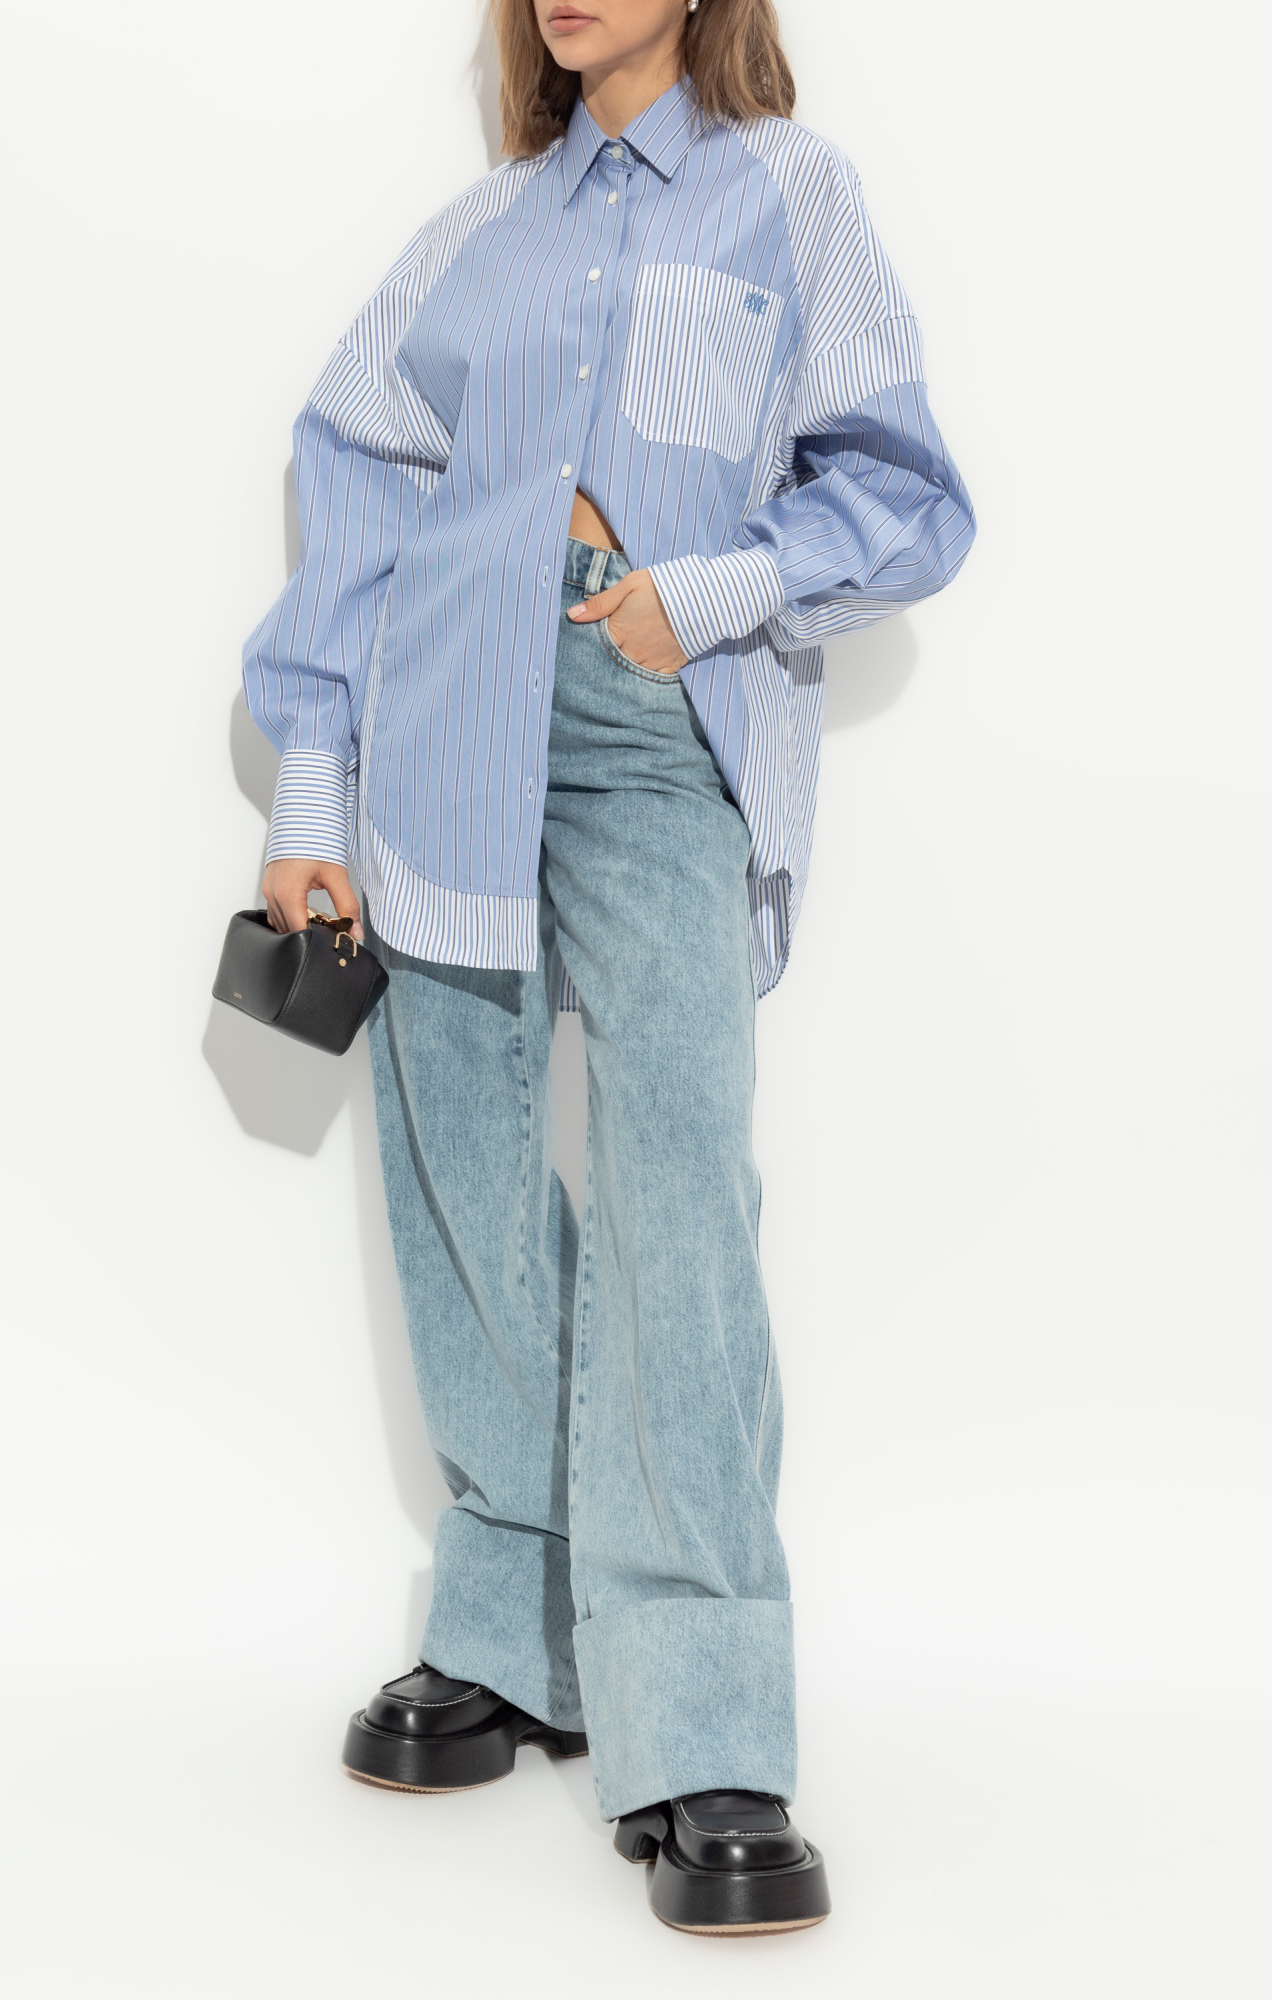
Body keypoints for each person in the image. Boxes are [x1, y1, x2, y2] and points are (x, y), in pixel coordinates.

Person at [241, 0, 974, 1936]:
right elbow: (356, 479)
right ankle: (519, 1625)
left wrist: (701, 593)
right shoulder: (477, 233)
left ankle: (703, 1712)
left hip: (655, 723)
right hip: (438, 724)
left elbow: (903, 496)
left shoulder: (790, 198)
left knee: (676, 1196)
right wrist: (310, 784)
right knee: (461, 1180)